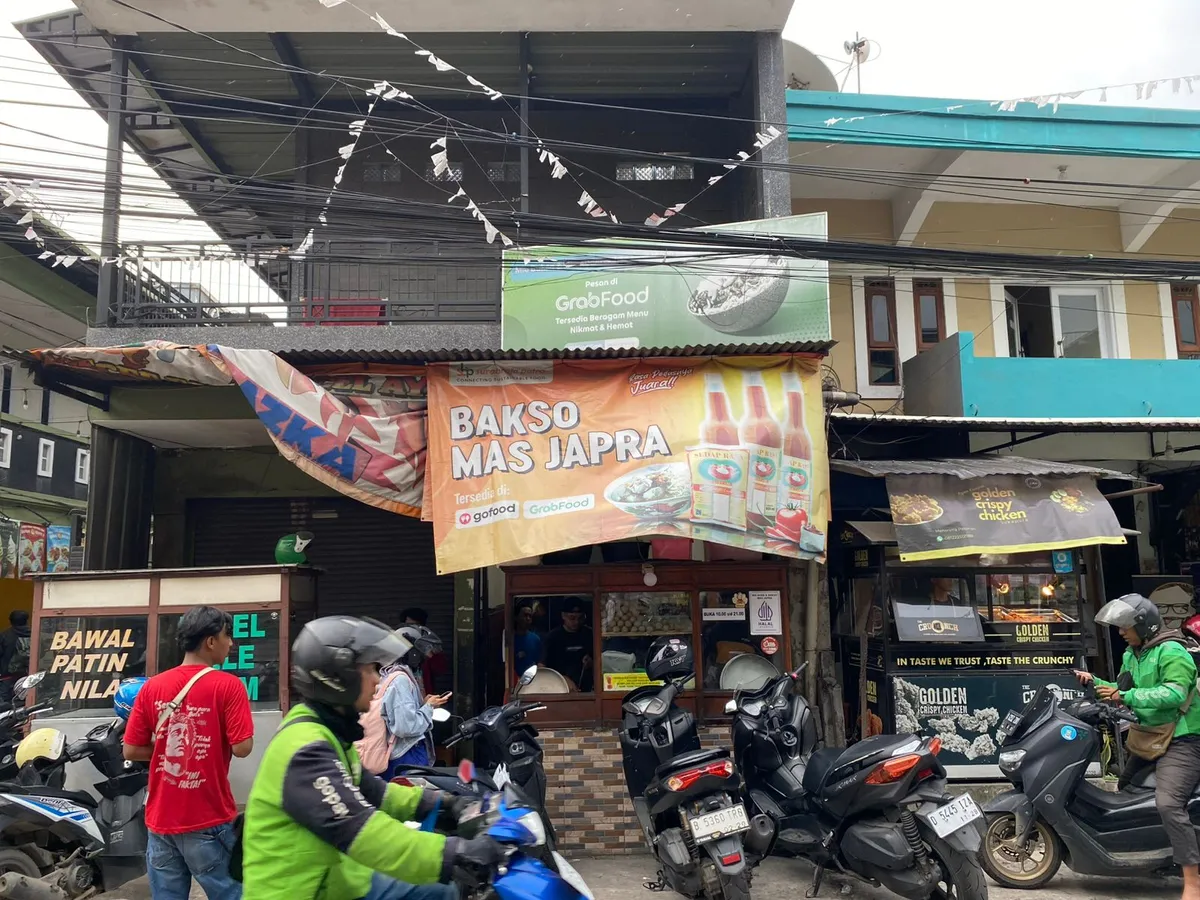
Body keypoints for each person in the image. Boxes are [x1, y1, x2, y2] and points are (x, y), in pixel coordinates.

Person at [242, 615, 502, 900]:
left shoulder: (329, 732)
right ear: (339, 678)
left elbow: (376, 792)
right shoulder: (306, 749)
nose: (378, 679)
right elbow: (362, 831)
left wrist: (443, 802)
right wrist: (456, 854)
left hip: (337, 879)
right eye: (369, 669)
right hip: (301, 892)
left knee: (440, 890)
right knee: (446, 889)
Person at [124, 606, 254, 900]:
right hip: (208, 817)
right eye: (227, 636)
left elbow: (131, 749)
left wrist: (169, 749)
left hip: (160, 821)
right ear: (211, 641)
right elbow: (243, 748)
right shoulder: (228, 686)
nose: (231, 643)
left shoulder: (152, 687)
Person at [1076, 593, 1200, 900]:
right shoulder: (1132, 655)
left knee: (1169, 804)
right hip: (1149, 736)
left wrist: (1125, 696)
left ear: (1145, 626)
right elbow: (1123, 690)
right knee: (1125, 789)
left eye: (1125, 626)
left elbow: (1173, 694)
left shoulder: (1172, 652)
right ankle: (1151, 851)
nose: (1120, 632)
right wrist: (1095, 682)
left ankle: (1192, 881)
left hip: (1183, 738)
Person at [381, 625, 450, 779]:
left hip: (406, 753)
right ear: (412, 652)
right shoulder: (400, 680)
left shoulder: (397, 676)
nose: (427, 657)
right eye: (423, 652)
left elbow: (403, 714)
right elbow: (405, 727)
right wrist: (429, 707)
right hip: (406, 754)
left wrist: (423, 704)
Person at [543, 599, 593, 692]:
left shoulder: (589, 634)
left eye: (580, 618)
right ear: (563, 616)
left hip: (587, 690)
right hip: (559, 688)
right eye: (572, 618)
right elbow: (542, 668)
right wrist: (562, 678)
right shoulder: (552, 637)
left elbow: (601, 660)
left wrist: (592, 662)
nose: (576, 622)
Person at [402, 608, 450, 695]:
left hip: (423, 690)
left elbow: (440, 669)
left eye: (415, 624)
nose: (412, 628)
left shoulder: (430, 643)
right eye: (408, 625)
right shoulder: (398, 642)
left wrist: (429, 652)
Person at [0, 610, 31, 710]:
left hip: (8, 677)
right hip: (29, 675)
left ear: (10, 621)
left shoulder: (5, 635)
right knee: (29, 700)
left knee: (5, 704)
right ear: (26, 620)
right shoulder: (35, 633)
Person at [512, 602, 541, 675]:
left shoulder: (535, 639)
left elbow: (539, 663)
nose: (528, 618)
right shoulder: (510, 640)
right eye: (525, 615)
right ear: (516, 617)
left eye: (530, 616)